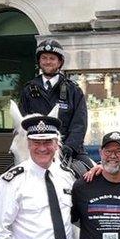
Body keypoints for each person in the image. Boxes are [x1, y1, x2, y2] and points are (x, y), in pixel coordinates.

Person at [19, 39, 90, 167]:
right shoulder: (28, 90)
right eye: (44, 58)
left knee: (91, 175)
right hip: (36, 150)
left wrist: (69, 147)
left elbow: (80, 123)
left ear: (59, 62)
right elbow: (22, 123)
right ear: (39, 61)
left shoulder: (73, 90)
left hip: (69, 151)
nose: (47, 62)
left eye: (52, 58)